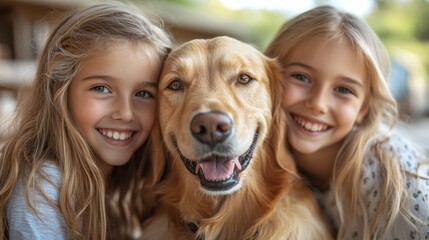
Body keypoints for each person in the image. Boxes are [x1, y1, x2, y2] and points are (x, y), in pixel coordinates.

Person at [0, 2, 171, 239]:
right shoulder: (43, 186)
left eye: (143, 94)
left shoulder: (133, 183)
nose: (125, 113)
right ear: (60, 90)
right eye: (101, 88)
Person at [265, 5, 429, 239]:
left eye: (343, 89)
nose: (318, 103)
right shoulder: (254, 152)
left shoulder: (390, 175)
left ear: (364, 108)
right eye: (301, 77)